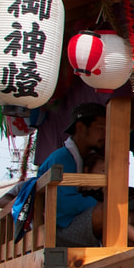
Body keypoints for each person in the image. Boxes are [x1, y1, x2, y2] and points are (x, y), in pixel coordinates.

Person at [36, 102, 106, 247]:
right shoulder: (62, 158)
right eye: (100, 129)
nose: (105, 134)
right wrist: (100, 204)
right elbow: (63, 206)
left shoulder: (85, 158)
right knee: (109, 211)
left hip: (68, 224)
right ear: (80, 127)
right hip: (58, 230)